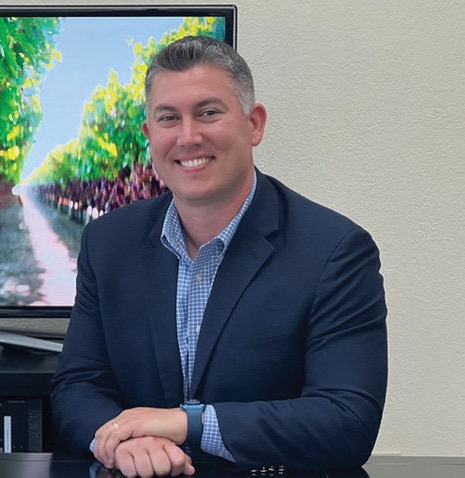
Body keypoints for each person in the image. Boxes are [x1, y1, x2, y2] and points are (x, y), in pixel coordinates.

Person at [50, 35, 387, 477]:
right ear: (151, 136)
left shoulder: (335, 251)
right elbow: (77, 384)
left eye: (208, 113)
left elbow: (347, 422)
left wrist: (184, 423)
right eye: (169, 118)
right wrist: (118, 442)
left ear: (254, 124)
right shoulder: (108, 242)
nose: (188, 137)